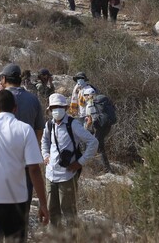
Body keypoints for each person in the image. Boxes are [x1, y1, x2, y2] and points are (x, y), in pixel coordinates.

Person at [0, 90, 49, 241]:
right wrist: (43, 204)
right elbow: (34, 169)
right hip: (17, 200)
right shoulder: (25, 129)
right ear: (15, 108)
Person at [41, 93, 98, 226]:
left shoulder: (73, 124)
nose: (56, 110)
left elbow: (93, 142)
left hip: (67, 175)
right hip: (51, 174)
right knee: (52, 211)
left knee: (69, 212)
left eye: (59, 107)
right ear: (49, 109)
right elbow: (44, 141)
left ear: (65, 108)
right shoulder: (49, 125)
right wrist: (45, 155)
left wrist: (80, 162)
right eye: (53, 107)